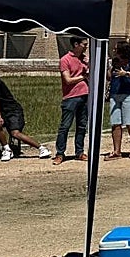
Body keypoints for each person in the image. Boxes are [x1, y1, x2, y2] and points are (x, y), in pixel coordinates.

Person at [105, 41, 130, 160]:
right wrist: (109, 67)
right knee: (115, 123)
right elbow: (109, 77)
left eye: (116, 48)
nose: (114, 50)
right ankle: (116, 151)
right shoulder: (115, 61)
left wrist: (126, 73)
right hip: (115, 93)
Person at [54, 36, 89, 166]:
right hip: (70, 97)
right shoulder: (65, 60)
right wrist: (83, 77)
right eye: (84, 44)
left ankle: (79, 152)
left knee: (81, 126)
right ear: (76, 44)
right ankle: (60, 153)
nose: (86, 46)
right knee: (65, 126)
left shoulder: (85, 60)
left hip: (85, 95)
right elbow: (67, 80)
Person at [0, 74, 51, 160]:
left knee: (15, 133)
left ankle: (42, 148)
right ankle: (6, 149)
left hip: (12, 110)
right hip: (2, 111)